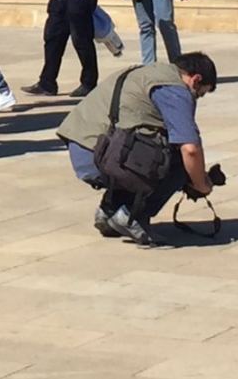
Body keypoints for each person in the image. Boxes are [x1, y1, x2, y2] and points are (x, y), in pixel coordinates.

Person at [57, 53, 219, 246]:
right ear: (196, 79)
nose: (196, 98)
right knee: (178, 162)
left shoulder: (144, 72)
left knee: (143, 148)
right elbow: (190, 149)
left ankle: (110, 210)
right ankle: (133, 217)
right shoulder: (175, 90)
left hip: (82, 149)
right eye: (200, 93)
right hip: (102, 159)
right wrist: (201, 183)